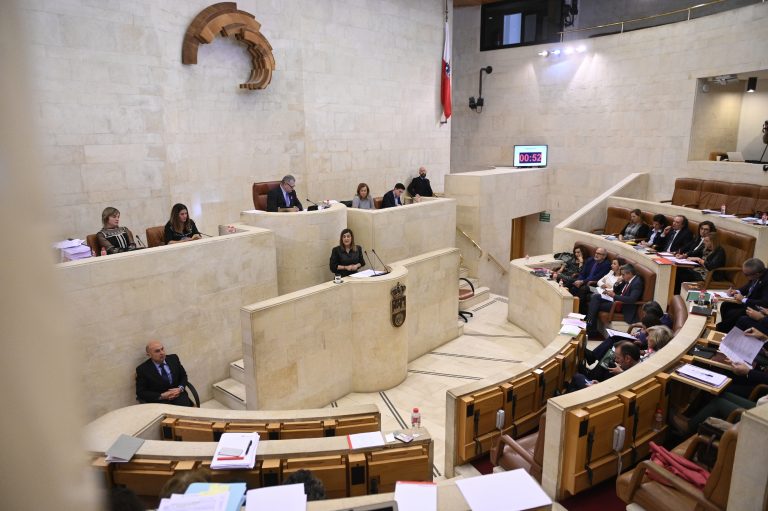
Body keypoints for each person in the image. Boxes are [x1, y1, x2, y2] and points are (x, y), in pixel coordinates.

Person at [586, 263, 645, 337]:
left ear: (629, 273)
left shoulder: (637, 283)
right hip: (616, 300)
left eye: (623, 275)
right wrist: (617, 282)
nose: (622, 276)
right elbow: (616, 290)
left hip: (622, 305)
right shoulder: (628, 278)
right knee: (596, 297)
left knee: (594, 304)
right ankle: (590, 327)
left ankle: (589, 326)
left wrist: (614, 296)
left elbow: (631, 299)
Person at [715, 258, 768, 332]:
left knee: (737, 314)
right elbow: (748, 286)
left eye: (746, 275)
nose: (745, 276)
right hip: (749, 303)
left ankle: (722, 329)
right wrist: (736, 291)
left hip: (757, 308)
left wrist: (743, 299)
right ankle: (726, 327)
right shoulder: (757, 274)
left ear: (757, 274)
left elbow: (764, 303)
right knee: (725, 304)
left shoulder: (766, 280)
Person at [136, 341, 193, 406]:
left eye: (162, 349)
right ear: (149, 355)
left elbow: (183, 376)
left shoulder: (173, 358)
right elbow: (141, 392)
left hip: (178, 394)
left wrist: (180, 388)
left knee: (185, 412)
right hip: (159, 400)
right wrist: (162, 396)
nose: (162, 353)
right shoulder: (142, 369)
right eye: (157, 351)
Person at [570, 341, 641, 391]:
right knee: (610, 357)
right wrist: (600, 384)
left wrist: (599, 387)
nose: (616, 360)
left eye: (618, 357)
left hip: (604, 396)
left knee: (577, 377)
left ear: (628, 358)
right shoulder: (640, 367)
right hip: (604, 388)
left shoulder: (636, 376)